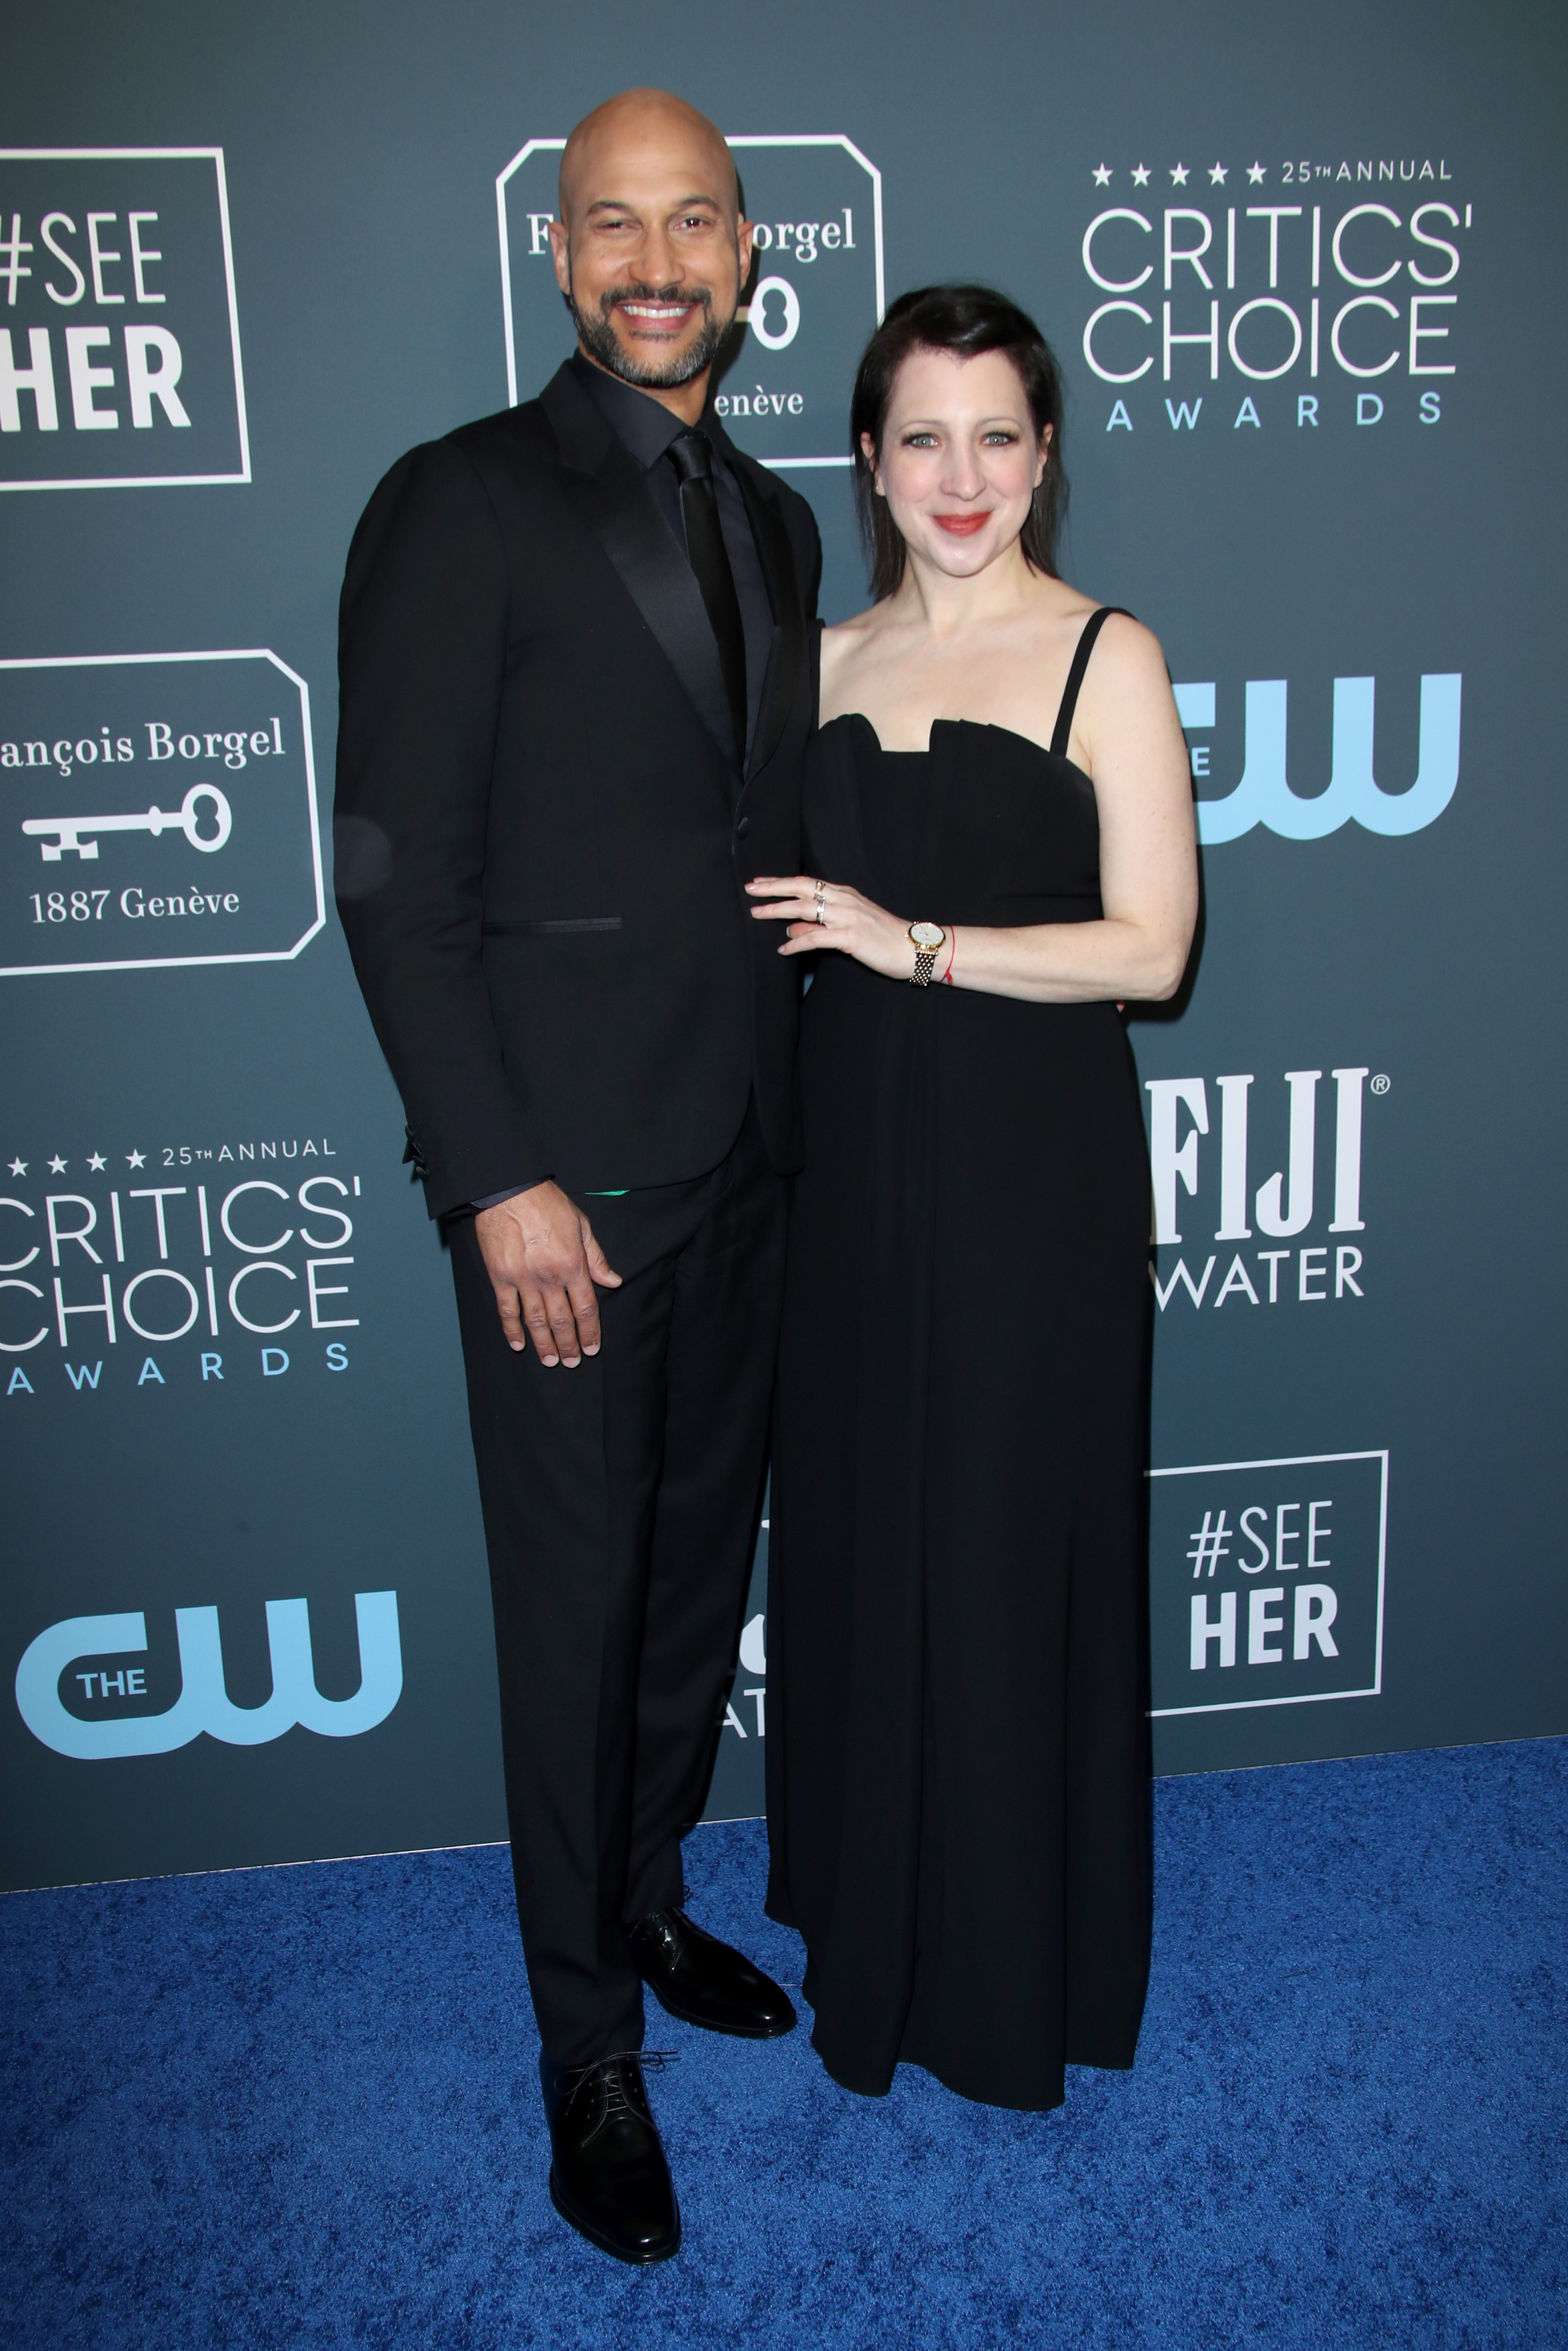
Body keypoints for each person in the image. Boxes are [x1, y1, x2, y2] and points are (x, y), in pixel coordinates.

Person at [334, 90, 822, 2264]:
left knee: (687, 1585)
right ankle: (580, 2048)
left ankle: (645, 1903)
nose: (655, 259)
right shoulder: (460, 503)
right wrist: (499, 1178)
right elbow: (397, 889)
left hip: (740, 1160)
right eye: (611, 223)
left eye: (692, 221)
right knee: (570, 1619)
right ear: (556, 257)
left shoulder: (781, 520)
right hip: (561, 1193)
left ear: (743, 251)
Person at [751, 285, 1198, 2112]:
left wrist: (911, 940)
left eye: (996, 435)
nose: (961, 475)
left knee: (1009, 1548)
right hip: (847, 1176)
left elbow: (1151, 953)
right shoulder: (819, 660)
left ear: (1043, 456)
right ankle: (871, 1930)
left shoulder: (1111, 655)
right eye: (920, 436)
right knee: (867, 1539)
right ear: (866, 457)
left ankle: (1013, 1966)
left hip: (1032, 1181)